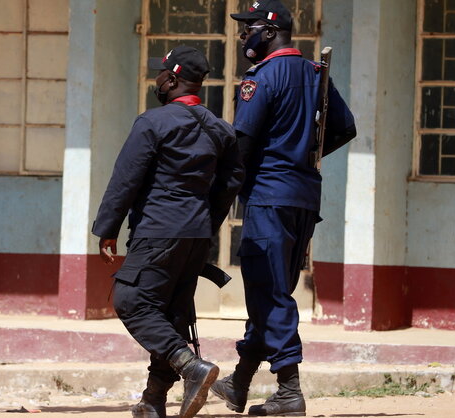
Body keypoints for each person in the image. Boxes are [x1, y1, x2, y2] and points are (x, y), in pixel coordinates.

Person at [210, 1, 357, 416]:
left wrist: (219, 199)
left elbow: (242, 144)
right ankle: (239, 382)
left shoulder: (261, 78)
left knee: (270, 292)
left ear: (270, 32)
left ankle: (289, 390)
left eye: (248, 29)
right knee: (269, 290)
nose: (243, 37)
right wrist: (303, 153)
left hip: (269, 198)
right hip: (304, 198)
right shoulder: (315, 74)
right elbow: (345, 127)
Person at [93, 46, 244, 418]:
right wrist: (207, 225)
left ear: (173, 79)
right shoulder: (220, 129)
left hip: (158, 230)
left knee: (131, 300)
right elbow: (232, 181)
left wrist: (107, 228)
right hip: (195, 236)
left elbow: (126, 179)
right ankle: (153, 400)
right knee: (172, 314)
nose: (157, 80)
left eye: (161, 74)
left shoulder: (152, 122)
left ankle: (191, 366)